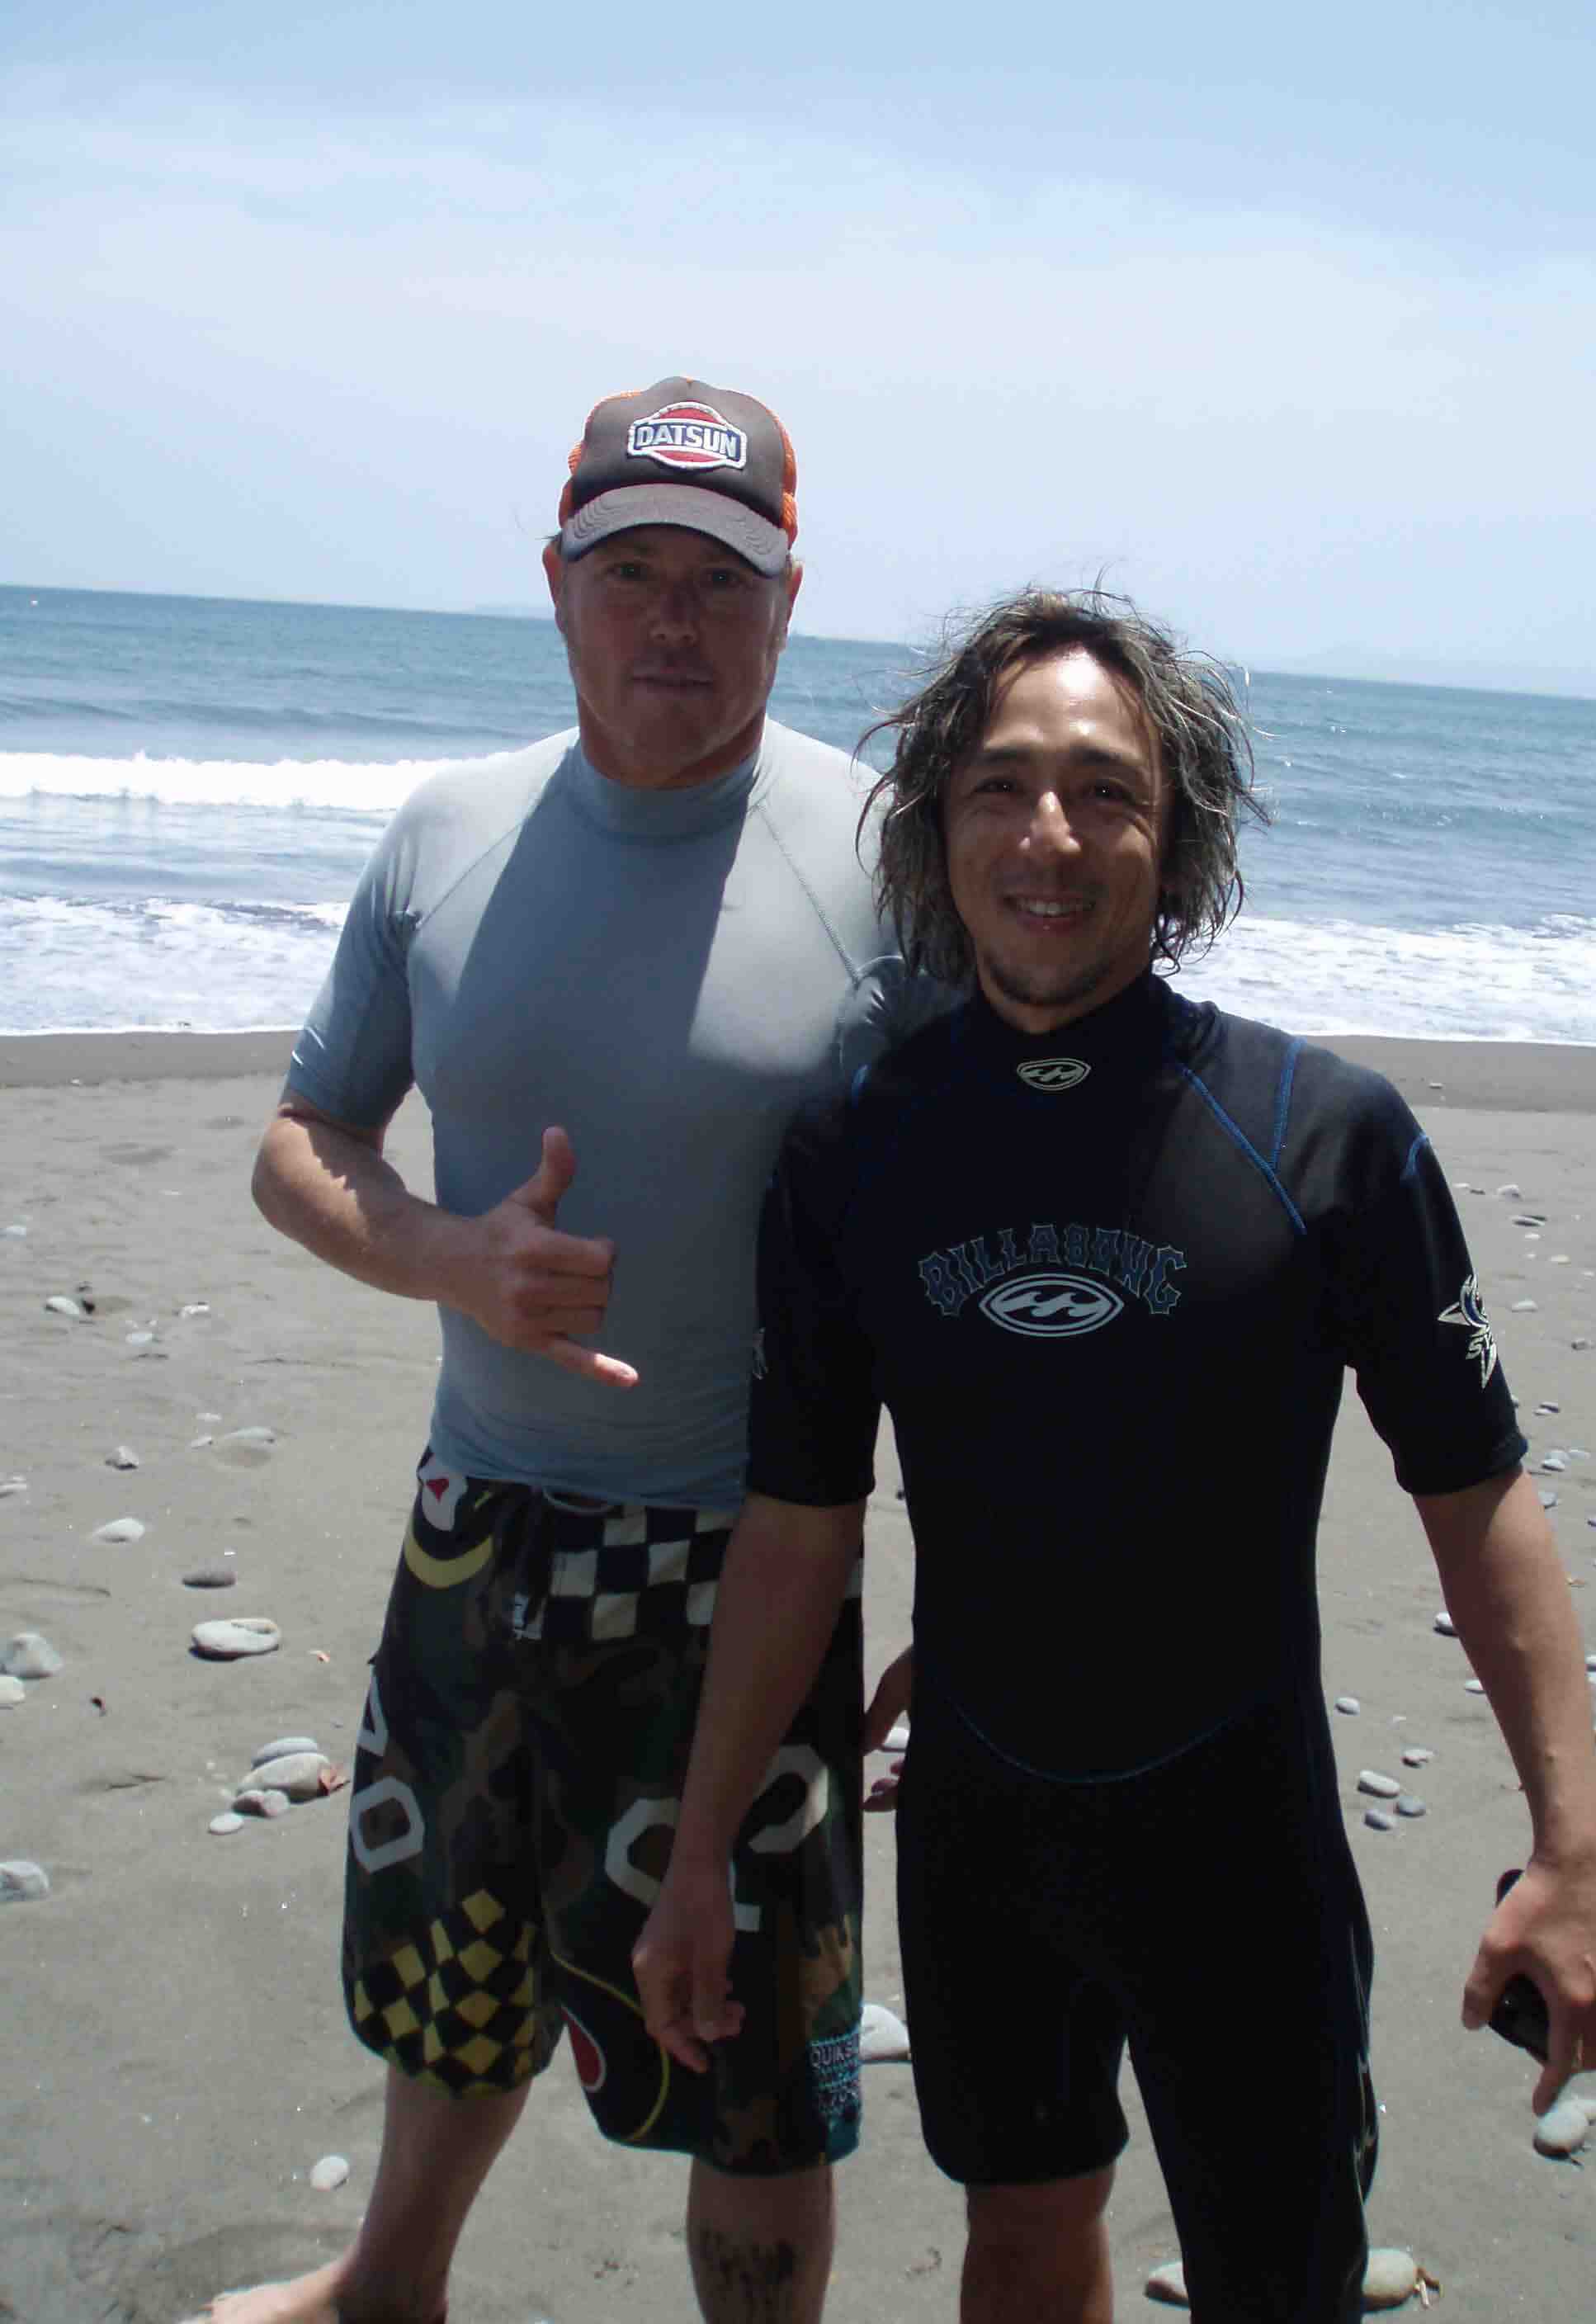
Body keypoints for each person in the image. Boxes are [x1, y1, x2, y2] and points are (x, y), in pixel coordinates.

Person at [633, 588, 1596, 2324]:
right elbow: (798, 1523)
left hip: (1241, 1844)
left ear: (1179, 843)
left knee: (1283, 2281)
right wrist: (702, 1849)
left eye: (1107, 791)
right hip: (984, 1839)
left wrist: (1573, 1848)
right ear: (938, 826)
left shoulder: (1324, 1139)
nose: (1050, 833)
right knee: (1020, 2237)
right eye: (1003, 785)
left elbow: (1477, 1497)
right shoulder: (856, 1150)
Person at [203, 379, 919, 2324]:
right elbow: (301, 1140)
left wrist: (985, 1550)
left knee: (751, 2057)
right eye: (631, 573)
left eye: (722, 579)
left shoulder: (887, 860)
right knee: (458, 1962)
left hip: (747, 1555)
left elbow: (967, 1225)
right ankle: (388, 2285)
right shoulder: (448, 835)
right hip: (479, 1522)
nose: (674, 618)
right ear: (556, 583)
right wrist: (454, 1258)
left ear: (789, 603)